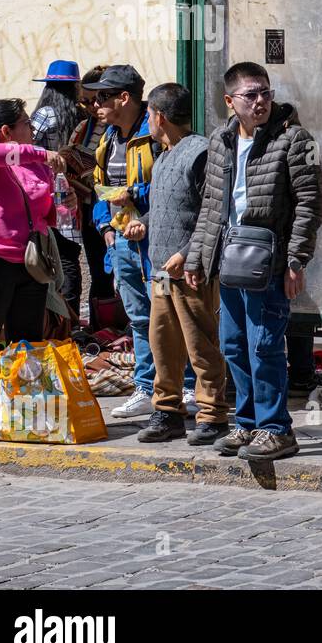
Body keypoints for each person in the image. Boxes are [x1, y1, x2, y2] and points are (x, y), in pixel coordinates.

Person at [185, 62, 322, 461]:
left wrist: (296, 260)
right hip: (230, 258)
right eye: (251, 94)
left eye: (266, 92)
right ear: (230, 101)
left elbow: (310, 205)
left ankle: (277, 428)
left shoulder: (296, 140)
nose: (261, 101)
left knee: (264, 344)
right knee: (233, 344)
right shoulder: (220, 141)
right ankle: (247, 424)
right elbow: (211, 205)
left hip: (270, 258)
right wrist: (198, 257)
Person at [0, 100, 66, 442]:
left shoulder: (31, 164)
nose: (33, 130)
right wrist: (39, 153)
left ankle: (25, 413)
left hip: (28, 262)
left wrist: (55, 207)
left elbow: (42, 206)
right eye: (26, 124)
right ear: (7, 132)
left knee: (26, 344)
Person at [135, 84, 227, 445]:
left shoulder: (201, 153)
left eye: (149, 116)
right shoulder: (162, 156)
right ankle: (168, 412)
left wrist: (188, 252)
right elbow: (166, 208)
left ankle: (213, 414)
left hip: (191, 271)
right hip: (160, 270)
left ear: (160, 116)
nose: (148, 123)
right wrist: (142, 220)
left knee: (200, 344)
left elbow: (214, 212)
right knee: (163, 344)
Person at [84, 65, 163, 420]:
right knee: (138, 318)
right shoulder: (107, 139)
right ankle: (146, 387)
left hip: (155, 241)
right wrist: (106, 229)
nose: (95, 104)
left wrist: (134, 196)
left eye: (102, 96)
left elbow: (171, 187)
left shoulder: (155, 135)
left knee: (169, 317)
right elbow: (100, 189)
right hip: (122, 244)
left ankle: (187, 386)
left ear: (124, 98)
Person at [30, 60, 86, 314]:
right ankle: (72, 318)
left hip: (45, 193)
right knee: (70, 257)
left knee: (50, 257)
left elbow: (28, 150)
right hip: (74, 192)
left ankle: (54, 318)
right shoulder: (82, 115)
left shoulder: (43, 115)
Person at [69, 66, 115, 323]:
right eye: (84, 101)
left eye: (93, 100)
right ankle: (103, 324)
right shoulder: (83, 128)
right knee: (99, 271)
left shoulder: (120, 129)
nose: (88, 106)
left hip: (119, 208)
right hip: (90, 209)